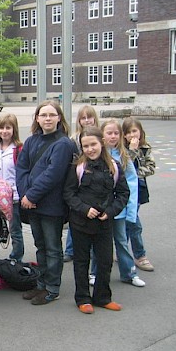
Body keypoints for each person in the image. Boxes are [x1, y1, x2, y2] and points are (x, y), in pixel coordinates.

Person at [16, 100, 77, 305]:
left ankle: (52, 288)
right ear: (37, 118)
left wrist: (31, 196)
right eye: (44, 115)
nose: (48, 118)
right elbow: (21, 169)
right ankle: (41, 284)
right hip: (32, 204)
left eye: (52, 115)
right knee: (40, 246)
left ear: (59, 118)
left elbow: (53, 175)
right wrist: (26, 195)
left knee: (52, 248)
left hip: (52, 206)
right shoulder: (32, 141)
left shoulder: (64, 144)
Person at [63, 127, 130, 314]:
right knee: (81, 262)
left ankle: (102, 297)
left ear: (102, 142)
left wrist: (110, 211)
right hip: (80, 223)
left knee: (105, 261)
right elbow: (68, 193)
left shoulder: (113, 166)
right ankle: (82, 298)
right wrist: (84, 209)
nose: (90, 149)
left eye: (93, 144)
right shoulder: (78, 167)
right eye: (86, 146)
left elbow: (123, 193)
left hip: (104, 224)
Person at [93, 119, 146, 288]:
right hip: (101, 209)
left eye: (116, 133)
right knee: (99, 243)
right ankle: (94, 273)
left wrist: (130, 210)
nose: (113, 136)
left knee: (121, 241)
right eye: (109, 133)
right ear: (102, 135)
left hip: (119, 210)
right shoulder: (97, 155)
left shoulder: (124, 157)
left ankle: (129, 273)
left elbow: (131, 185)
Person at [64, 105, 101, 262]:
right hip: (79, 182)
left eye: (89, 117)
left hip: (96, 185)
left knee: (96, 218)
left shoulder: (98, 136)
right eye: (83, 118)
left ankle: (95, 250)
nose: (86, 120)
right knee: (77, 217)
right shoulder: (74, 139)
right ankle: (70, 249)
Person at [0, 113, 24, 263]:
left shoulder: (19, 149)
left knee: (15, 230)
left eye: (8, 128)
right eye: (1, 128)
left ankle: (16, 257)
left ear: (14, 129)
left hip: (14, 196)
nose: (4, 131)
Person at [123, 117, 156, 272]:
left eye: (134, 131)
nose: (131, 135)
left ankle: (135, 254)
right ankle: (139, 255)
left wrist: (134, 174)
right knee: (132, 222)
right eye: (128, 132)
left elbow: (151, 168)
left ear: (140, 132)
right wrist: (132, 150)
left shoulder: (145, 148)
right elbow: (123, 166)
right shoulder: (122, 149)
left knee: (132, 221)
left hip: (138, 189)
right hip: (123, 190)